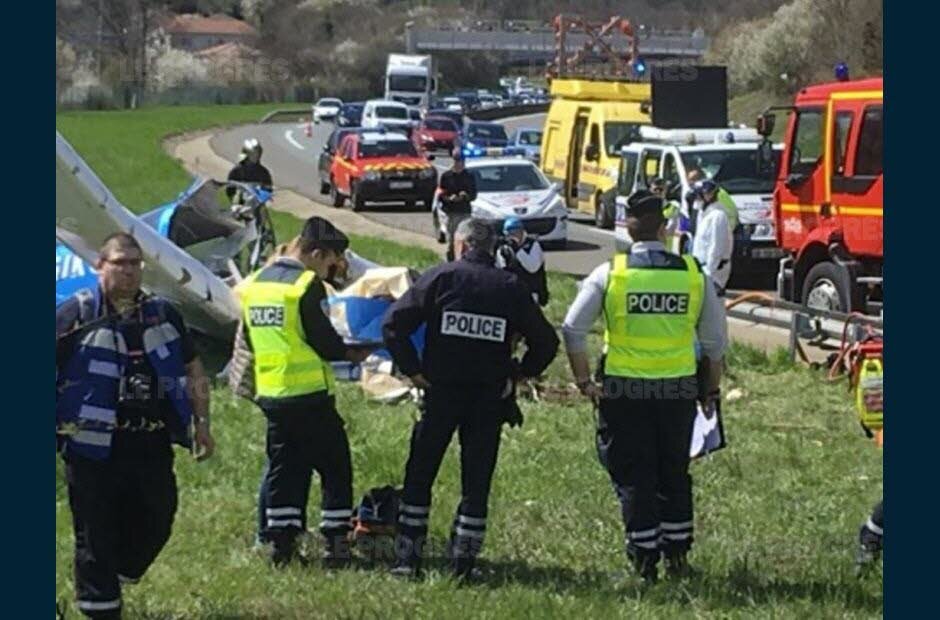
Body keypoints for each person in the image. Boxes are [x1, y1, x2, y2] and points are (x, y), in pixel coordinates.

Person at [561, 191, 727, 584]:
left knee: (635, 474)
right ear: (664, 228)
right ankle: (677, 555)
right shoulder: (693, 275)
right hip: (677, 390)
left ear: (628, 228)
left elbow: (572, 329)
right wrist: (710, 391)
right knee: (674, 470)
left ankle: (644, 560)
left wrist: (584, 382)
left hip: (625, 391)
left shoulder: (611, 274)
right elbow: (715, 344)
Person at [382, 218, 559, 578]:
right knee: (476, 482)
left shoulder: (440, 277)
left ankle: (407, 561)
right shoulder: (510, 286)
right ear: (492, 248)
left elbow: (393, 325)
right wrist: (519, 373)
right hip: (488, 398)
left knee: (420, 475)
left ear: (461, 245)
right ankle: (463, 566)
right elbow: (546, 342)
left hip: (440, 393)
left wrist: (413, 370)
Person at [56, 233, 215, 619]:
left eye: (134, 263)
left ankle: (119, 573)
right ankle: (100, 607)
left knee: (158, 517)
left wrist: (202, 422)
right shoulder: (77, 313)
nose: (128, 271)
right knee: (95, 532)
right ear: (100, 266)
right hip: (92, 445)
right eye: (119, 263)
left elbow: (193, 368)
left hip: (150, 440)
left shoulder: (163, 313)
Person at [238, 216, 370, 567]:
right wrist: (352, 353)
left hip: (272, 393)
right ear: (316, 253)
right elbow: (323, 340)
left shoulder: (255, 283)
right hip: (309, 394)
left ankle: (281, 545)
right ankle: (336, 545)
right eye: (330, 263)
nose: (329, 271)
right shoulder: (304, 285)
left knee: (285, 470)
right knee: (335, 466)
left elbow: (250, 337)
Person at [690, 179, 734, 294]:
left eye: (698, 196)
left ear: (708, 195)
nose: (696, 199)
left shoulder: (718, 216)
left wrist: (709, 273)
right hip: (702, 271)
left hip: (714, 274)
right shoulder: (703, 214)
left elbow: (716, 247)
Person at [496, 217, 549, 307]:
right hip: (513, 292)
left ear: (521, 231)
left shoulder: (533, 245)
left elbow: (533, 268)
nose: (513, 236)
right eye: (509, 234)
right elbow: (500, 271)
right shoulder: (504, 248)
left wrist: (518, 250)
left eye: (516, 232)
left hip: (532, 291)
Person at [439, 149, 477, 261]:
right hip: (451, 213)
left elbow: (473, 195)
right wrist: (449, 198)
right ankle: (451, 261)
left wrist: (465, 196)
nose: (459, 163)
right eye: (456, 160)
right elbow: (441, 195)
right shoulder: (446, 176)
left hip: (465, 212)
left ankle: (464, 260)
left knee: (465, 239)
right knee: (452, 240)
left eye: (460, 161)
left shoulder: (469, 176)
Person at [649, 177, 682, 254]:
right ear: (650, 190)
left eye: (661, 190)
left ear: (665, 190)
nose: (658, 192)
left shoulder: (672, 206)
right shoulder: (645, 206)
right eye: (655, 190)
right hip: (649, 247)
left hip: (665, 248)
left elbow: (670, 228)